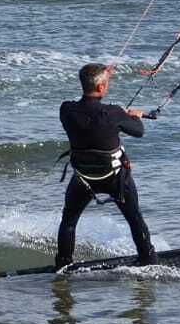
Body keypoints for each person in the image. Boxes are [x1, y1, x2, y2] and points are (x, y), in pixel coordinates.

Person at [54, 62, 156, 269]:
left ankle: (63, 265)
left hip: (83, 178)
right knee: (134, 218)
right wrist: (134, 116)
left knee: (69, 221)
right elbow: (138, 131)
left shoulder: (66, 110)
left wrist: (101, 77)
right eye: (106, 83)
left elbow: (90, 113)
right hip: (115, 178)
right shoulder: (114, 113)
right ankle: (148, 260)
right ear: (101, 88)